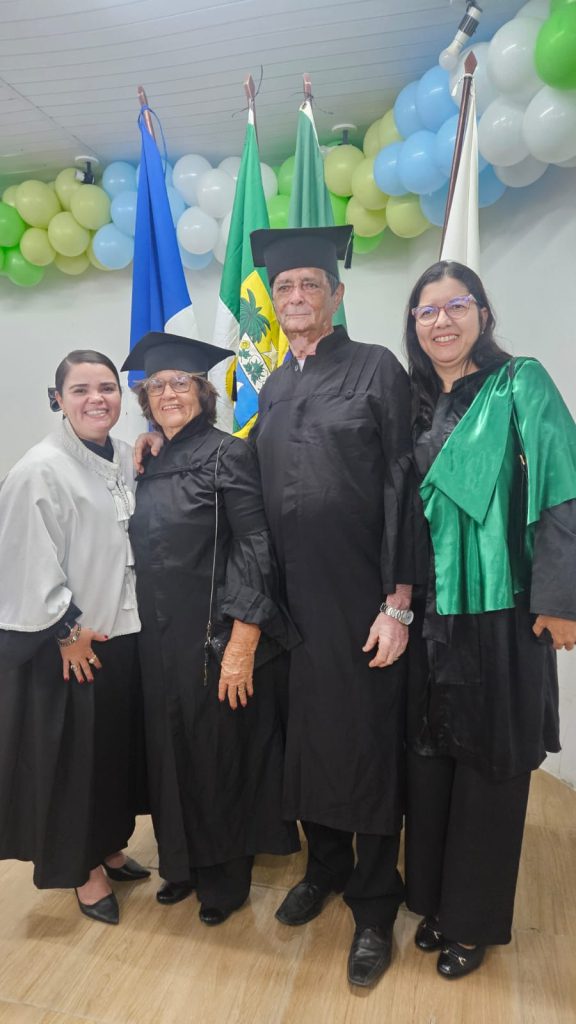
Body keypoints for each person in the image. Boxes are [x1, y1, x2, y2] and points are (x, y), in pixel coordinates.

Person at [249, 226, 417, 988]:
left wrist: (398, 600)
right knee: (306, 743)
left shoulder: (377, 369)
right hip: (290, 607)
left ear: (337, 294)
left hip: (359, 601)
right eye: (284, 287)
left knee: (366, 747)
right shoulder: (274, 386)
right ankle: (325, 868)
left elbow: (402, 484)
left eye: (309, 285)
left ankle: (376, 902)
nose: (296, 297)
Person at [403, 260, 576, 979]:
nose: (442, 321)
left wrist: (559, 599)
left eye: (456, 305)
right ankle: (436, 902)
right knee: (431, 762)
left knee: (491, 767)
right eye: (427, 311)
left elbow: (564, 487)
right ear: (414, 326)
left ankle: (471, 923)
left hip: (503, 611)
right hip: (428, 612)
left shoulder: (519, 383)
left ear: (482, 313)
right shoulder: (412, 401)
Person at [123, 332, 300, 926]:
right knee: (168, 750)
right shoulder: (149, 459)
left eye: (181, 383)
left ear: (203, 392)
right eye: (157, 386)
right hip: (157, 639)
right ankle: (182, 863)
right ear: (146, 400)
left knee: (218, 754)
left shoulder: (229, 454)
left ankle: (224, 879)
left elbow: (256, 545)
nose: (169, 393)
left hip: (213, 635)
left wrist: (244, 639)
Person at [0, 350, 149, 926]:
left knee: (111, 754)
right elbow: (24, 561)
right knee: (75, 763)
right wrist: (66, 631)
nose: (96, 399)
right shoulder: (40, 469)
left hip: (122, 633)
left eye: (106, 388)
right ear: (57, 398)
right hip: (73, 644)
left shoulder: (122, 456)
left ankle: (109, 845)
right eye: (81, 390)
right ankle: (82, 869)